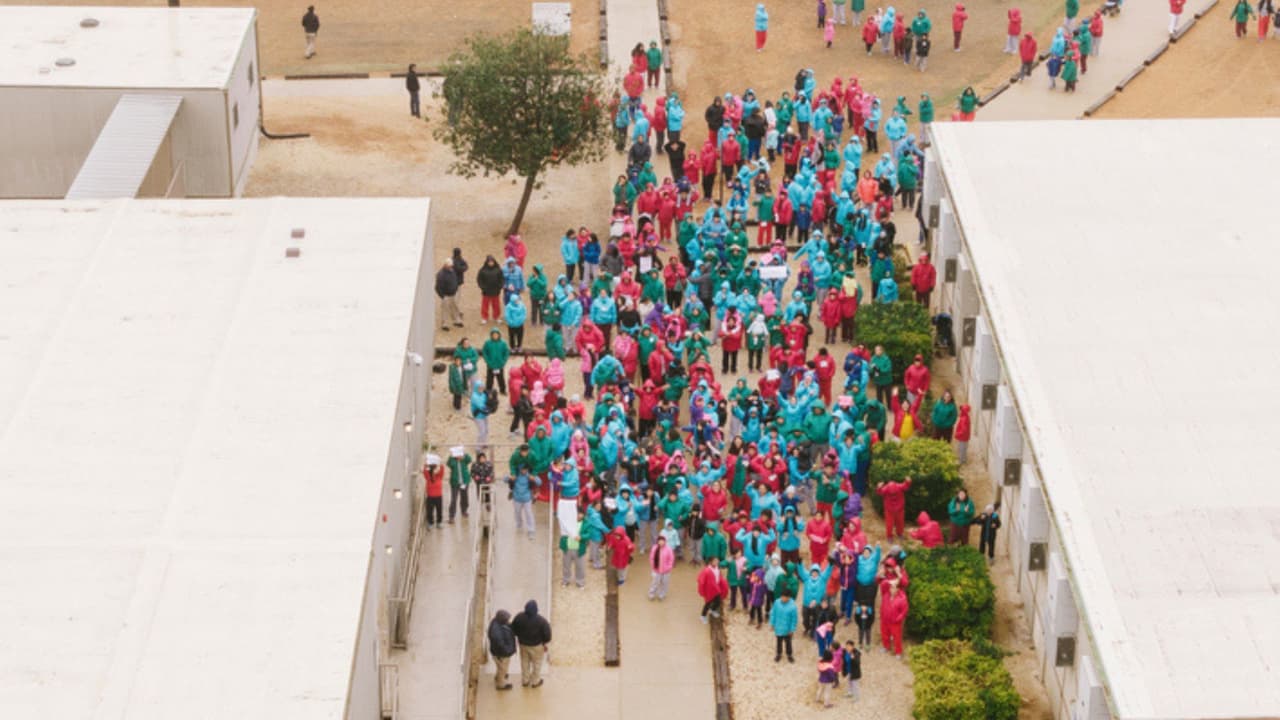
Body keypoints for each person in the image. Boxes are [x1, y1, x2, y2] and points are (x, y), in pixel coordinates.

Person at [510, 600, 552, 688]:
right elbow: (547, 636)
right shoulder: (542, 621)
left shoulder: (519, 617)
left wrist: (519, 636)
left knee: (524, 662)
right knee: (537, 664)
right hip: (537, 646)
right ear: (536, 609)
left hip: (523, 645)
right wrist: (544, 643)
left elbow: (513, 629)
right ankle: (535, 682)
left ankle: (525, 680)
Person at [487, 610, 516, 690]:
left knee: (500, 667)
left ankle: (498, 677)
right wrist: (508, 651)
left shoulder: (496, 622)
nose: (508, 621)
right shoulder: (496, 632)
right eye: (506, 619)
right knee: (503, 669)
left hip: (498, 653)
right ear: (502, 619)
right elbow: (500, 645)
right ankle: (501, 685)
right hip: (501, 654)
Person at [561, 510, 588, 587]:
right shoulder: (568, 521)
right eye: (578, 513)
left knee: (580, 566)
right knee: (566, 566)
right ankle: (565, 580)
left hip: (579, 549)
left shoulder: (586, 523)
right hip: (567, 548)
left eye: (581, 514)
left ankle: (580, 582)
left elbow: (588, 534)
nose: (579, 515)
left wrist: (582, 537)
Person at [880, 581, 908, 657]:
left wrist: (898, 619)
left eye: (894, 587)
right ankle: (886, 647)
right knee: (885, 634)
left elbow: (904, 611)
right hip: (885, 620)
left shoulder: (902, 598)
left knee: (897, 637)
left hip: (895, 622)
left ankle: (898, 652)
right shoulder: (886, 595)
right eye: (891, 587)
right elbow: (882, 585)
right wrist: (889, 581)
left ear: (898, 589)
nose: (891, 589)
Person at [697, 557, 729, 622]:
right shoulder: (706, 570)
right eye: (715, 561)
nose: (717, 562)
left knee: (718, 601)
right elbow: (701, 580)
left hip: (716, 588)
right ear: (710, 562)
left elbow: (719, 577)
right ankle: (703, 616)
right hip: (709, 590)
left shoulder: (717, 569)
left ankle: (713, 610)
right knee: (708, 603)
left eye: (717, 561)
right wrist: (702, 589)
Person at [770, 591, 799, 662]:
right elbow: (773, 613)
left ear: (788, 597)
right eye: (782, 596)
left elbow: (794, 619)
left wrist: (792, 629)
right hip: (778, 628)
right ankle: (779, 654)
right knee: (779, 642)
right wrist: (772, 624)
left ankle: (789, 654)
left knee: (788, 642)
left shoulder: (793, 606)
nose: (783, 598)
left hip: (787, 630)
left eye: (785, 597)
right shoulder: (777, 602)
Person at [476, 255, 505, 324]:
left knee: (496, 305)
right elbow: (479, 280)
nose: (491, 263)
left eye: (492, 262)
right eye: (489, 262)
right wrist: (483, 287)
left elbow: (502, 279)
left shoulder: (498, 270)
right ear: (487, 262)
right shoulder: (482, 270)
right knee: (485, 305)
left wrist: (500, 287)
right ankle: (484, 317)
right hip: (486, 291)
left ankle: (496, 317)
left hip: (496, 291)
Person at [435, 260, 463, 330]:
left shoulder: (452, 271)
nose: (451, 267)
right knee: (445, 310)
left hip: (453, 294)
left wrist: (455, 288)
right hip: (446, 295)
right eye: (450, 266)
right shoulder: (441, 274)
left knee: (455, 308)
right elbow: (438, 287)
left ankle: (457, 321)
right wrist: (442, 296)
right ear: (445, 265)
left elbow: (455, 280)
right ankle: (445, 324)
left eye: (451, 265)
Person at [447, 446, 471, 522]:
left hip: (464, 482)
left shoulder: (464, 460)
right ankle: (451, 516)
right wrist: (451, 456)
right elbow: (449, 464)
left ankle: (464, 511)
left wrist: (464, 453)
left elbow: (469, 459)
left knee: (464, 497)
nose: (459, 456)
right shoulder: (453, 461)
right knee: (453, 499)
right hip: (455, 483)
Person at [648, 534, 676, 599]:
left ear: (665, 541)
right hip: (656, 570)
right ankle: (651, 594)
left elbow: (671, 559)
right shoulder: (654, 548)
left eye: (662, 541)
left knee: (664, 583)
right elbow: (651, 558)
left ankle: (662, 594)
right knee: (654, 583)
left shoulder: (668, 549)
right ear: (657, 541)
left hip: (666, 571)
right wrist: (653, 566)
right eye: (659, 541)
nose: (661, 542)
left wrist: (669, 567)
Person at [423, 455, 444, 529]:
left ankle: (439, 522)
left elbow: (442, 469)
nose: (434, 471)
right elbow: (425, 471)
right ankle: (430, 523)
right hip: (430, 496)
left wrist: (440, 463)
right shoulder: (428, 477)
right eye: (433, 470)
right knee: (430, 511)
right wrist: (426, 462)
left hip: (439, 496)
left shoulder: (439, 476)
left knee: (439, 510)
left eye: (435, 469)